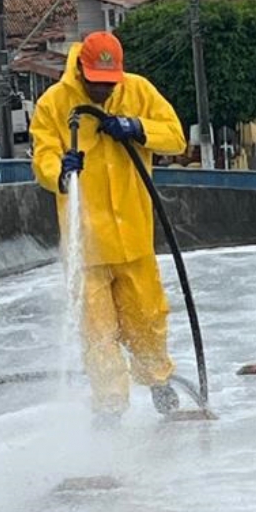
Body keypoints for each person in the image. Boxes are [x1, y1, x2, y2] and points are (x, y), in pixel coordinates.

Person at [30, 31, 188, 420]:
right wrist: (60, 174)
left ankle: (157, 378)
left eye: (109, 84)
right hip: (88, 248)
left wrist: (138, 128)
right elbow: (43, 157)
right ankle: (111, 407)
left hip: (134, 238)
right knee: (98, 335)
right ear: (81, 72)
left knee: (147, 319)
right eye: (96, 84)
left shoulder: (138, 92)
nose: (103, 92)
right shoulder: (54, 105)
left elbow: (176, 137)